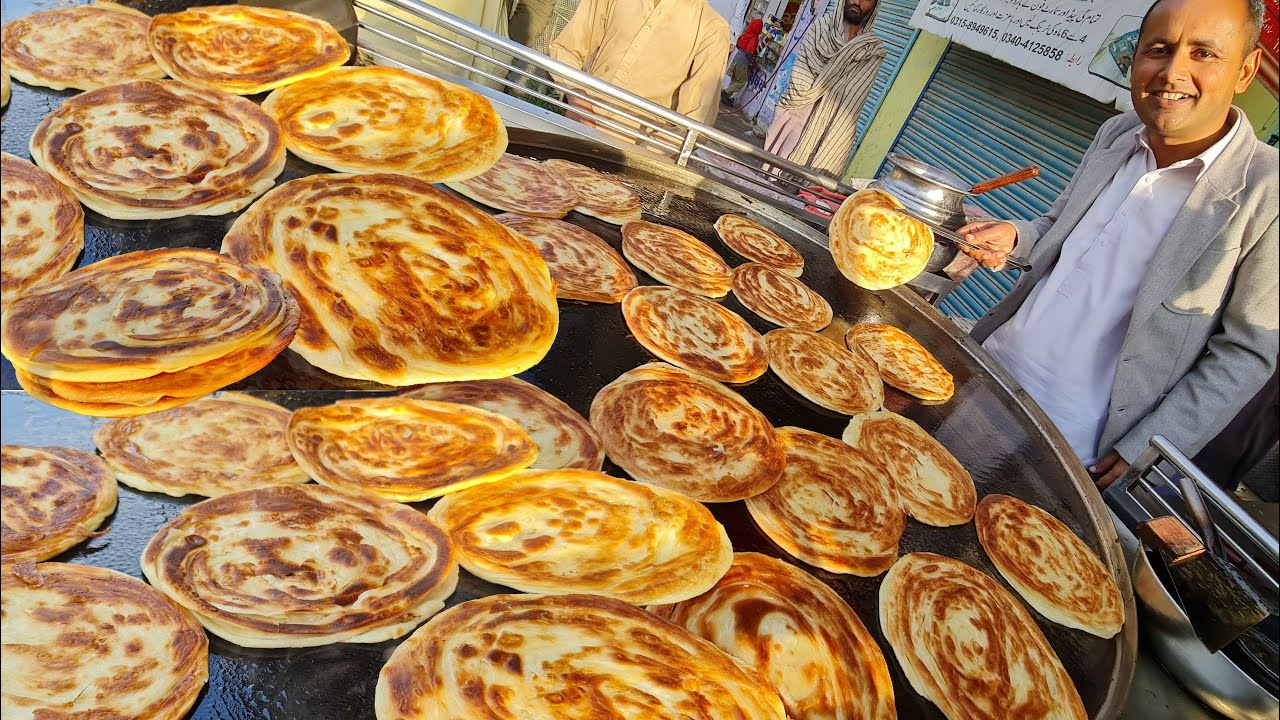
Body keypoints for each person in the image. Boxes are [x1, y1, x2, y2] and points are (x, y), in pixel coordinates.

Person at [956, 0, 1278, 488]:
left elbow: (1246, 353)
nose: (1173, 73)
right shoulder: (1119, 132)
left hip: (1073, 446)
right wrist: (1016, 236)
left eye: (1204, 54)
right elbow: (1057, 224)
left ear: (1245, 70)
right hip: (987, 372)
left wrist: (1152, 445)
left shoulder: (1265, 192)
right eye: (1159, 49)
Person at [549, 0, 731, 128]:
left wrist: (644, 157)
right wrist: (578, 98)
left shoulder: (712, 29)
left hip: (636, 155)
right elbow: (566, 48)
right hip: (576, 129)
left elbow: (694, 122)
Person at [762, 0, 885, 178]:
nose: (857, 2)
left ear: (875, 7)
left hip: (828, 132)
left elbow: (851, 105)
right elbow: (799, 79)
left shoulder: (872, 52)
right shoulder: (820, 29)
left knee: (800, 196)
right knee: (767, 179)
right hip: (794, 118)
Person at [723, 17, 765, 104]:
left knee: (734, 80)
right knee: (741, 82)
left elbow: (739, 45)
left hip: (736, 59)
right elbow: (753, 53)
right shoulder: (754, 40)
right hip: (742, 63)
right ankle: (725, 93)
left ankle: (726, 98)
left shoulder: (747, 34)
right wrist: (766, 41)